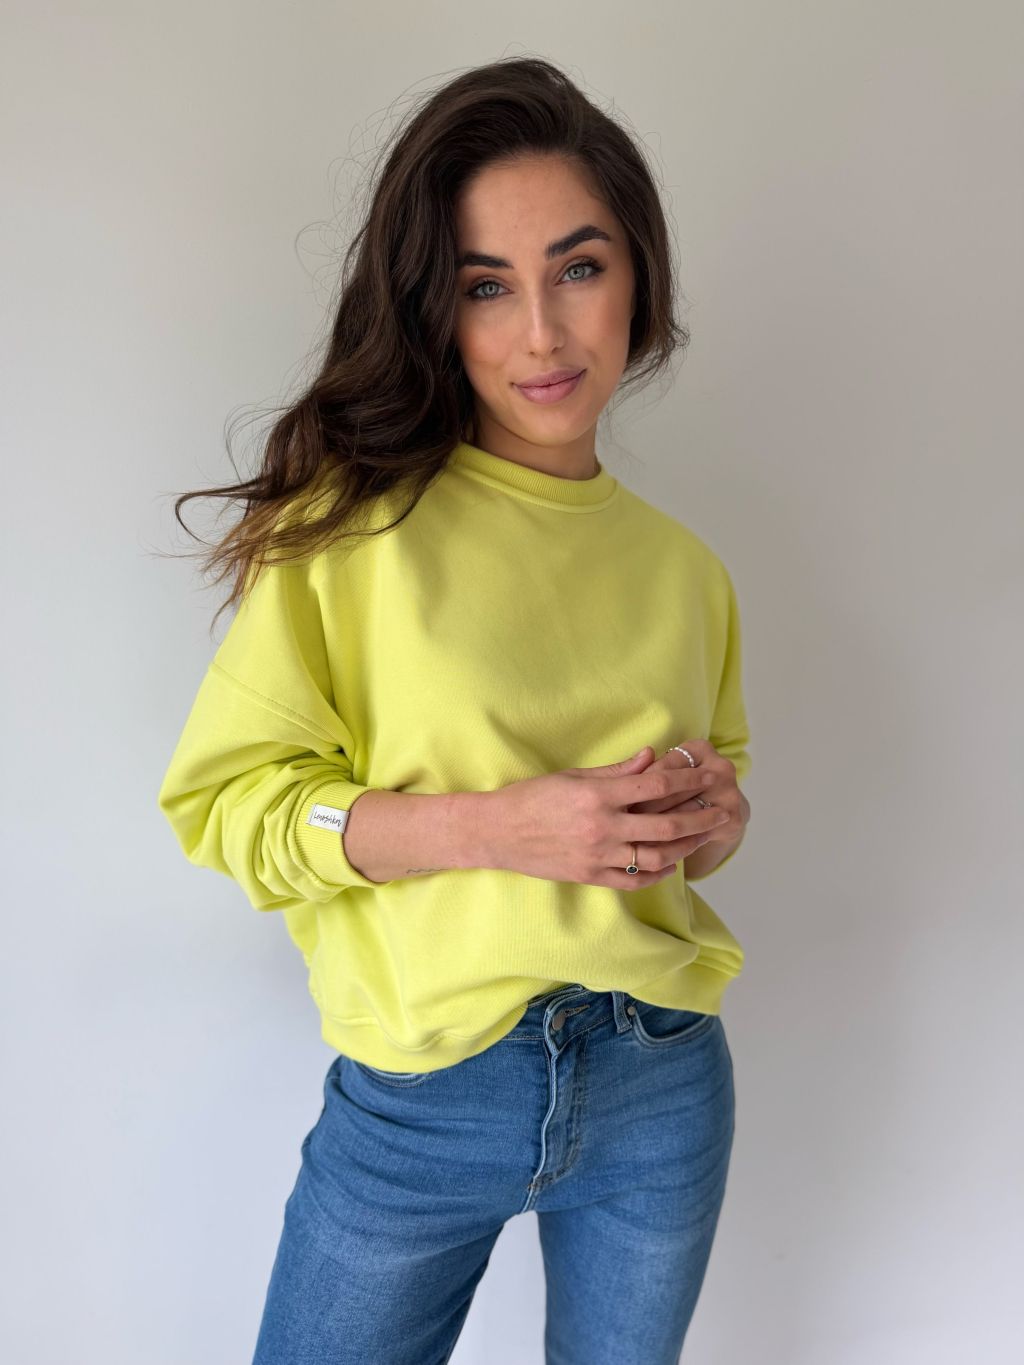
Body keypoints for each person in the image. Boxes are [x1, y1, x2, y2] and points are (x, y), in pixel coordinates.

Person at [157, 55, 753, 1365]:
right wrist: (498, 827)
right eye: (488, 286)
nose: (542, 332)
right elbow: (229, 809)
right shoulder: (348, 536)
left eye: (578, 268)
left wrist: (712, 820)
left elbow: (706, 824)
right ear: (435, 309)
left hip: (661, 1077)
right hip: (424, 1102)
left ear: (639, 277)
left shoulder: (687, 572)